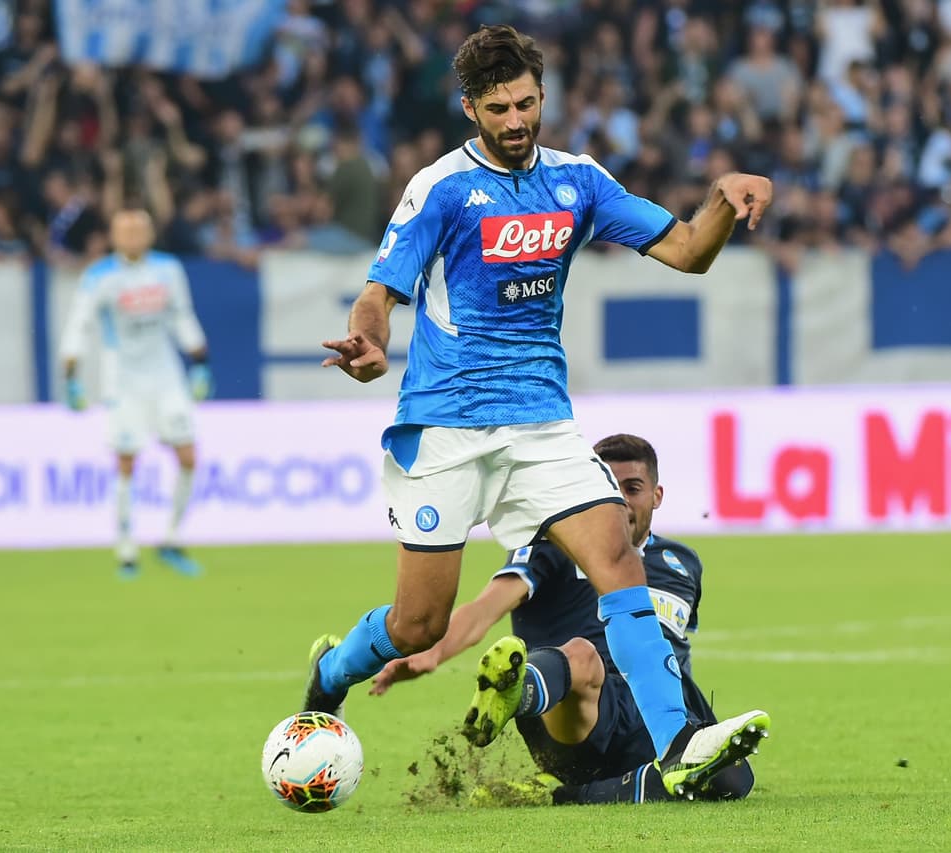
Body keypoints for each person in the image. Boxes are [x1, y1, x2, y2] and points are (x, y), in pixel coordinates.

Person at [303, 24, 773, 799]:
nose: (515, 120)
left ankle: (680, 744)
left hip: (541, 422)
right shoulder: (440, 188)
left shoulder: (578, 182)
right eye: (498, 108)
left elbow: (689, 250)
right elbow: (379, 291)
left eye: (525, 103)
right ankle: (328, 672)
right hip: (448, 424)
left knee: (618, 556)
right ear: (470, 109)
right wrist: (368, 342)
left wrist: (725, 196)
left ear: (543, 96)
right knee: (418, 624)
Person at [370, 434, 767, 805]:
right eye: (609, 490)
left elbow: (678, 652)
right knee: (582, 654)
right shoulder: (551, 547)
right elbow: (487, 606)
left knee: (734, 781)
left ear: (657, 495)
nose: (621, 503)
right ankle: (517, 689)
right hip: (576, 712)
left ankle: (567, 794)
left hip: (655, 718)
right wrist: (432, 653)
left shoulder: (682, 564)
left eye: (632, 488)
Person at [58, 208, 213, 578]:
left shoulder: (168, 269)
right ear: (113, 236)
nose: (132, 237)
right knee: (127, 461)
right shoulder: (99, 277)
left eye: (139, 230)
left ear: (149, 234)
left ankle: (172, 540)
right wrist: (72, 374)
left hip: (166, 376)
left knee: (188, 456)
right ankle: (126, 549)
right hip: (122, 382)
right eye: (124, 231)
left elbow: (181, 315)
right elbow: (79, 325)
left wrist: (200, 359)